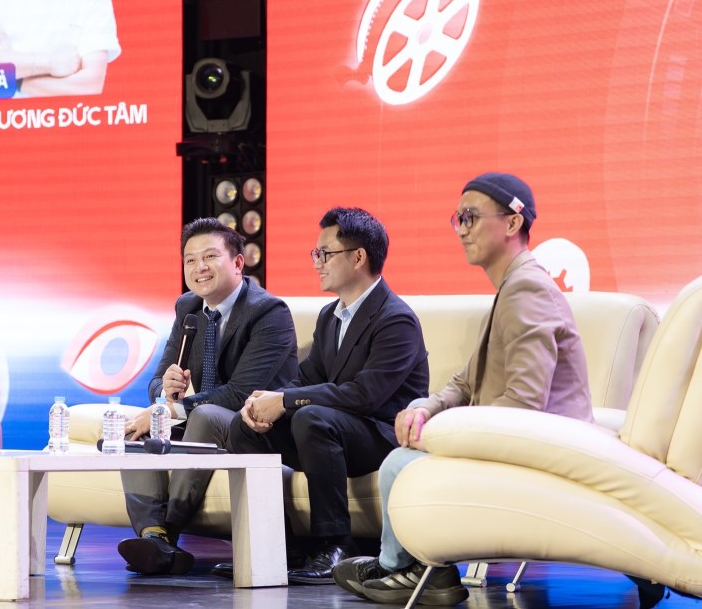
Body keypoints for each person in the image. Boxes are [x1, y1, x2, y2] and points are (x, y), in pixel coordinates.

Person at [332, 173, 594, 605]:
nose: (461, 230)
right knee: (406, 450)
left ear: (513, 222)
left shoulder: (526, 289)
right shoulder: (513, 286)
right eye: (457, 219)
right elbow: (467, 380)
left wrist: (442, 433)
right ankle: (414, 568)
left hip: (543, 452)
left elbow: (525, 403)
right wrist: (427, 407)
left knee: (400, 462)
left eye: (471, 217)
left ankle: (403, 569)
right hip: (521, 441)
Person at [216, 207, 429, 585]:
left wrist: (286, 402)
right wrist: (266, 401)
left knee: (311, 417)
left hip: (382, 435)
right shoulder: (331, 316)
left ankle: (336, 545)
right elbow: (307, 378)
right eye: (315, 253)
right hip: (332, 433)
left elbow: (365, 396)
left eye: (325, 253)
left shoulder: (396, 319)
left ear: (358, 257)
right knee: (244, 427)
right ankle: (274, 547)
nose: (317, 262)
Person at [117, 217, 298, 575]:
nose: (199, 267)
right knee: (135, 429)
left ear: (237, 263)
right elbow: (156, 382)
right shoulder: (188, 307)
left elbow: (240, 394)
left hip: (257, 429)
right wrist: (165, 391)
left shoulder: (268, 312)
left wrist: (172, 410)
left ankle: (166, 534)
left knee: (201, 415)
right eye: (190, 259)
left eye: (210, 256)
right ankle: (153, 534)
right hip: (204, 424)